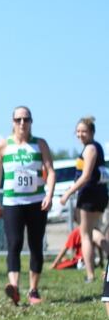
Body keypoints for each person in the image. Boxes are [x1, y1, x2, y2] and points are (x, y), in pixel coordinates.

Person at [0, 106, 55, 306]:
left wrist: (50, 195)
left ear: (31, 122)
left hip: (36, 202)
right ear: (12, 122)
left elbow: (51, 171)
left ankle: (33, 290)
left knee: (36, 245)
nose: (22, 123)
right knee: (14, 244)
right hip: (12, 202)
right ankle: (15, 288)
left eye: (26, 119)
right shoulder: (3, 146)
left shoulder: (40, 144)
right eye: (18, 119)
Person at [60, 117, 108, 283]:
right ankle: (101, 261)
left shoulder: (90, 149)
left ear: (92, 132)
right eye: (78, 131)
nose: (80, 134)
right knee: (93, 231)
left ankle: (90, 274)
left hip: (90, 195)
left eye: (84, 131)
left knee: (85, 234)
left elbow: (86, 176)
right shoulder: (97, 147)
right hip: (98, 194)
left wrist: (68, 193)